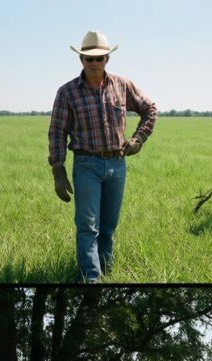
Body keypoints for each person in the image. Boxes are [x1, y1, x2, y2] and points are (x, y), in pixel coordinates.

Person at [48, 31, 157, 283]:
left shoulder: (122, 85)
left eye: (99, 58)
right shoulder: (67, 93)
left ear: (108, 59)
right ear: (81, 60)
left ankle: (106, 272)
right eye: (89, 58)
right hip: (86, 164)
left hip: (117, 164)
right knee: (88, 227)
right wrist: (58, 172)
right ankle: (92, 279)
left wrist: (139, 138)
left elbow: (149, 108)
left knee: (108, 227)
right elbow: (57, 132)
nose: (94, 63)